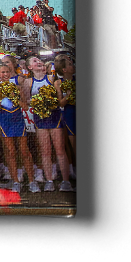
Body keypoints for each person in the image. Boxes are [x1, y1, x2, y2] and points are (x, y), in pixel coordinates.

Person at [0, 44, 35, 194]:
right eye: (2, 72)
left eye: (7, 71)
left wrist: (14, 97)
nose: (5, 74)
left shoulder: (17, 86)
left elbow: (25, 106)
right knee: (10, 152)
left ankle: (32, 181)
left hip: (17, 119)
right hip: (4, 120)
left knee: (24, 151)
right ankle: (16, 181)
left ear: (10, 71)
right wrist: (2, 96)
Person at [21, 52, 73, 192]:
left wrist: (49, 100)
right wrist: (37, 101)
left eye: (39, 60)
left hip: (54, 117)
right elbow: (25, 102)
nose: (38, 61)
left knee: (60, 150)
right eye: (34, 61)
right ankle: (49, 180)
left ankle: (66, 181)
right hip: (40, 119)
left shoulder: (51, 78)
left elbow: (59, 98)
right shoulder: (28, 82)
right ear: (30, 67)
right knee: (45, 151)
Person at [54, 53, 76, 182]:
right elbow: (61, 103)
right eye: (70, 64)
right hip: (69, 113)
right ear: (64, 69)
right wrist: (68, 95)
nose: (73, 66)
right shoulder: (58, 83)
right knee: (72, 145)